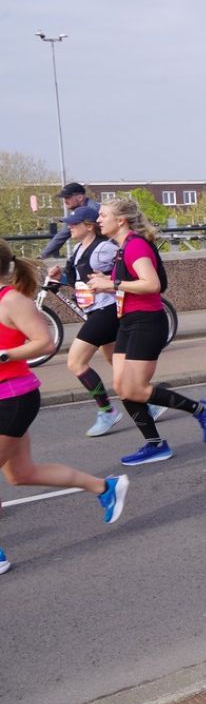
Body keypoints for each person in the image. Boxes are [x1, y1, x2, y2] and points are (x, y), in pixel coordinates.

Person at [1, 239, 128, 576]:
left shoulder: (12, 300)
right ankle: (104, 487)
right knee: (21, 475)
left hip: (13, 398)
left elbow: (44, 342)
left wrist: (5, 355)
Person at [87, 199, 206, 466]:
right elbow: (129, 283)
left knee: (136, 388)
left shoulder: (135, 245)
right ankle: (155, 444)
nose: (98, 220)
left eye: (103, 215)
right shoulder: (122, 247)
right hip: (128, 322)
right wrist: (104, 283)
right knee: (122, 388)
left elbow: (152, 284)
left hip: (146, 323)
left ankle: (202, 409)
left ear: (121, 220)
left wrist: (112, 283)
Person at [44, 204, 129, 437]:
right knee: (116, 362)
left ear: (89, 226)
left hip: (107, 311)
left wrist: (109, 280)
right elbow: (79, 280)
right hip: (95, 311)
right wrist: (60, 276)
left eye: (74, 224)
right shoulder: (80, 249)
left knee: (75, 362)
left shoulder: (104, 249)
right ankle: (147, 400)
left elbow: (128, 272)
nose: (69, 227)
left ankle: (107, 411)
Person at [39, 183, 101, 260]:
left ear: (80, 197)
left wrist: (42, 256)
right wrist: (42, 256)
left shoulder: (95, 211)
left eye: (67, 197)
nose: (65, 201)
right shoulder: (77, 212)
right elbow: (61, 235)